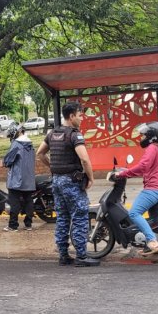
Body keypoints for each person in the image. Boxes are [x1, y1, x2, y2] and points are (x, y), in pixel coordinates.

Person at [36, 102, 99, 267]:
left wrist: (52, 167)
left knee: (62, 218)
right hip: (72, 182)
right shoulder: (74, 135)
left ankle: (63, 255)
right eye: (80, 115)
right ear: (71, 116)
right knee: (79, 216)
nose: (82, 118)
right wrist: (91, 178)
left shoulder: (52, 133)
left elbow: (40, 153)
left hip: (56, 181)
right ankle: (81, 256)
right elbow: (84, 159)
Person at [112, 121, 158, 255]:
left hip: (155, 188)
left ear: (151, 136)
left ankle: (152, 240)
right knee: (154, 219)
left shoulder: (153, 147)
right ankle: (155, 244)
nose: (141, 138)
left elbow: (143, 167)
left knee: (134, 213)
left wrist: (122, 174)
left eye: (143, 135)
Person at [0, 124, 36, 232]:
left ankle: (13, 225)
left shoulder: (16, 144)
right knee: (28, 201)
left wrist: (3, 163)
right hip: (29, 179)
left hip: (17, 179)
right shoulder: (30, 144)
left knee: (14, 202)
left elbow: (9, 160)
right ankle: (28, 224)